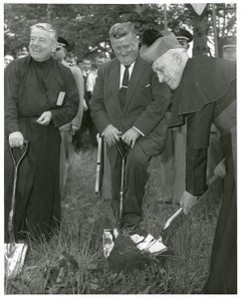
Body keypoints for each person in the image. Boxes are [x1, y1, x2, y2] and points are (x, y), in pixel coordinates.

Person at [140, 32, 236, 293]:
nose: (160, 78)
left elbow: (197, 143)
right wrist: (228, 159)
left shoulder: (195, 77)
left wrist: (192, 190)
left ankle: (225, 290)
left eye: (161, 70)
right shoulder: (203, 68)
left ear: (176, 57)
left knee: (233, 223)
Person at [89, 22, 171, 238]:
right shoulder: (106, 69)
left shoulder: (153, 65)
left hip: (146, 133)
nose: (123, 52)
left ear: (137, 40)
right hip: (114, 135)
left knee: (134, 163)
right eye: (118, 48)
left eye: (128, 46)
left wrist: (137, 129)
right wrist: (105, 127)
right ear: (111, 46)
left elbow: (161, 102)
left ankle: (132, 223)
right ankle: (119, 222)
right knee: (116, 178)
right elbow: (96, 103)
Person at [4, 23, 79, 243]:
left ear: (54, 46)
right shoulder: (15, 68)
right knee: (17, 184)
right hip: (19, 134)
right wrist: (13, 130)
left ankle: (38, 236)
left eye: (42, 40)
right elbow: (8, 102)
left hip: (48, 135)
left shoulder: (64, 73)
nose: (35, 44)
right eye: (32, 38)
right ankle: (10, 235)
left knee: (43, 186)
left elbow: (72, 105)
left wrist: (54, 116)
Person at [52, 36, 84, 198]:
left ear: (64, 51)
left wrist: (76, 122)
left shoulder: (73, 71)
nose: (55, 52)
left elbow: (78, 97)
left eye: (58, 49)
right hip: (44, 124)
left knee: (60, 162)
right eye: (53, 48)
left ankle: (59, 195)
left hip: (64, 123)